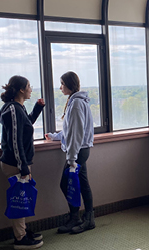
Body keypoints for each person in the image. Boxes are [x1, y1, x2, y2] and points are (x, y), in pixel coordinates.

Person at [0, 75, 45, 249]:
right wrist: (23, 166)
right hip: (15, 163)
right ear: (21, 90)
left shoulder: (18, 108)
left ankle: (22, 232)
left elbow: (26, 125)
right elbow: (15, 141)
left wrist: (38, 108)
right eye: (29, 86)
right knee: (19, 199)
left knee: (23, 198)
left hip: (18, 162)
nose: (31, 89)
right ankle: (20, 238)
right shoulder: (14, 110)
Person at [45, 71, 95, 234]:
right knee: (81, 184)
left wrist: (72, 158)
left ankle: (81, 218)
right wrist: (55, 137)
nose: (60, 88)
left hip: (78, 151)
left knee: (68, 184)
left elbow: (76, 134)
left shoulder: (76, 104)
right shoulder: (77, 102)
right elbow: (70, 130)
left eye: (62, 84)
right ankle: (84, 218)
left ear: (69, 85)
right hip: (81, 150)